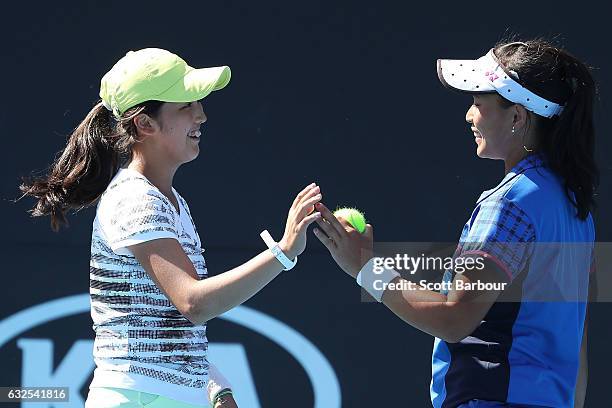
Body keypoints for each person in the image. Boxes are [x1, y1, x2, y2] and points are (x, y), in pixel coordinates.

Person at [19, 48, 322, 407]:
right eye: (186, 106)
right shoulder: (135, 199)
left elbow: (167, 326)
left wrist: (215, 386)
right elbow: (193, 303)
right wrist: (283, 252)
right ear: (145, 125)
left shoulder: (169, 201)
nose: (202, 115)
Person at [313, 38, 597, 408]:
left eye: (478, 104)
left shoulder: (510, 204)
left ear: (517, 117)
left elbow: (454, 317)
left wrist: (365, 269)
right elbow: (579, 348)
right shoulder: (574, 207)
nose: (469, 115)